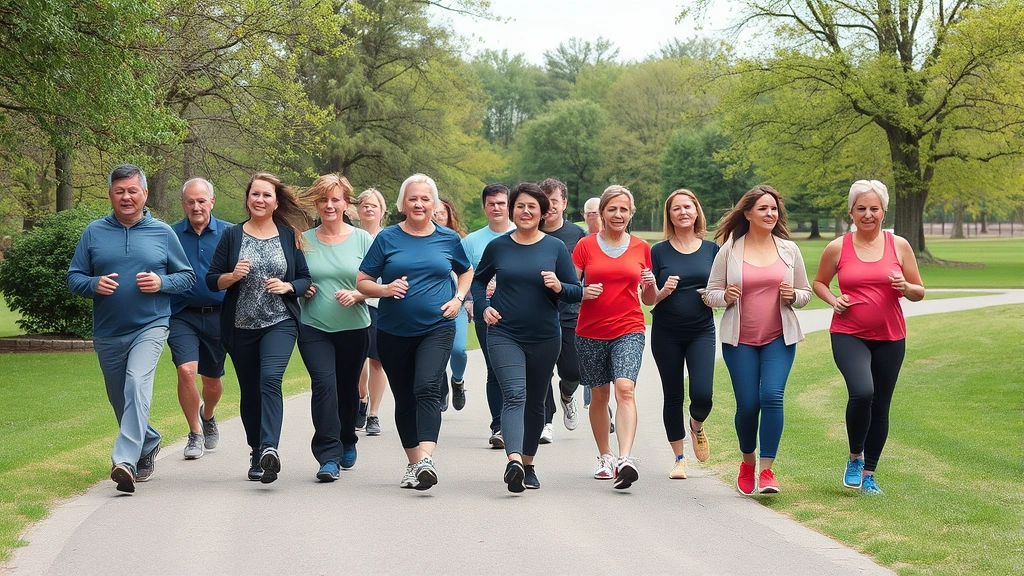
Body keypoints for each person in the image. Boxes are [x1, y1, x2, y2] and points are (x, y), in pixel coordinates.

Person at [68, 164, 195, 493]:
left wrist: (161, 281)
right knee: (119, 399)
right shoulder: (94, 233)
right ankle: (149, 440)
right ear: (110, 194)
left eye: (132, 191)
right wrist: (93, 284)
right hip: (108, 331)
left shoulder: (162, 233)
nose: (126, 197)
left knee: (137, 383)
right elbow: (74, 277)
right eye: (119, 191)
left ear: (144, 194)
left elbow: (187, 277)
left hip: (150, 325)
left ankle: (124, 460)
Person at [357, 173, 472, 490]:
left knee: (426, 387)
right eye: (413, 198)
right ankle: (414, 463)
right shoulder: (387, 239)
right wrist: (385, 289)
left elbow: (466, 271)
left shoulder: (448, 239)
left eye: (425, 199)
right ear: (402, 204)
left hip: (437, 327)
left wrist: (458, 299)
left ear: (434, 204)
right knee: (405, 397)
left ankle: (426, 459)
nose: (419, 204)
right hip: (393, 331)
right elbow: (362, 281)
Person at [813, 180, 925, 495]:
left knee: (881, 404)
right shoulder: (837, 247)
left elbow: (919, 291)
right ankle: (854, 457)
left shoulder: (899, 245)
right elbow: (820, 282)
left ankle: (869, 474)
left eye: (874, 208)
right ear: (851, 211)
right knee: (862, 392)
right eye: (861, 208)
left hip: (891, 337)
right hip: (849, 334)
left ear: (883, 210)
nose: (867, 214)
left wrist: (906, 287)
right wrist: (834, 300)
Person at [473, 183, 582, 492]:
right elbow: (479, 283)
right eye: (519, 206)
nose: (525, 211)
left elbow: (575, 292)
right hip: (505, 332)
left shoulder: (555, 248)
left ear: (543, 212)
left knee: (536, 402)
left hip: (545, 336)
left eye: (532, 207)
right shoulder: (499, 247)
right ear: (512, 210)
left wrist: (559, 286)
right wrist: (483, 306)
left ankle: (529, 463)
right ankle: (514, 462)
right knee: (515, 395)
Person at [705, 184, 812, 496]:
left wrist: (795, 296)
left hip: (779, 337)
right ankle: (747, 462)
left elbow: (804, 292)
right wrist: (724, 296)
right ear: (748, 213)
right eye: (763, 208)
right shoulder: (730, 250)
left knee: (772, 397)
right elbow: (710, 293)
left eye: (774, 209)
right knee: (749, 405)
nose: (770, 213)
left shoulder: (789, 250)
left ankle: (767, 470)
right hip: (740, 342)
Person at [206, 172, 311, 484]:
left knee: (270, 380)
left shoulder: (288, 234)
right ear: (247, 199)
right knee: (250, 391)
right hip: (240, 326)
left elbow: (305, 279)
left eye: (267, 195)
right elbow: (213, 280)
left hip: (279, 322)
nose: (261, 200)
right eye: (255, 195)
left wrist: (288, 285)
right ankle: (256, 452)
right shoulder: (232, 236)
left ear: (275, 201)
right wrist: (233, 275)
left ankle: (270, 448)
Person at [573, 185, 655, 490]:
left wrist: (650, 285)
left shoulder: (641, 247)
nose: (618, 215)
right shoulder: (584, 246)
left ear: (630, 214)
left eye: (624, 210)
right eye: (612, 209)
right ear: (601, 214)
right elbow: (569, 289)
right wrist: (582, 293)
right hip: (590, 331)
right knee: (599, 396)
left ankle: (625, 458)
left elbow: (648, 299)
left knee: (625, 389)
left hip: (629, 329)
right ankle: (605, 456)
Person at [296, 174, 373, 481]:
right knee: (324, 385)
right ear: (316, 203)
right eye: (323, 200)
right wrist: (304, 287)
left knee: (347, 387)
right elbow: (296, 277)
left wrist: (359, 293)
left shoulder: (363, 239)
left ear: (346, 204)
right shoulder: (303, 239)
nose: (329, 205)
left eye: (335, 199)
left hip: (355, 327)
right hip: (314, 326)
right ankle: (328, 455)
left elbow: (378, 283)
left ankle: (347, 438)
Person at [644, 189, 719, 480]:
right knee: (673, 395)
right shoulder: (658, 251)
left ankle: (697, 426)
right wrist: (662, 290)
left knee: (703, 396)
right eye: (677, 208)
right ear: (670, 215)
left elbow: (723, 291)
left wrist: (712, 297)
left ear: (696, 211)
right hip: (666, 332)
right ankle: (678, 458)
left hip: (701, 331)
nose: (683, 212)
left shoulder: (712, 249)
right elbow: (647, 299)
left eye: (688, 207)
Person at [168, 178, 229, 460]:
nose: (196, 206)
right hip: (182, 314)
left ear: (211, 202)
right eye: (190, 201)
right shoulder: (169, 235)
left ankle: (208, 413)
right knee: (186, 371)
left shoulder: (230, 233)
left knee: (212, 381)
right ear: (183, 204)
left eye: (201, 201)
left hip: (219, 316)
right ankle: (194, 433)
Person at [461, 184, 515, 448]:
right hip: (486, 313)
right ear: (484, 207)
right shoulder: (471, 241)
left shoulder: (521, 234)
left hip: (519, 312)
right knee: (494, 369)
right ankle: (499, 427)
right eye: (491, 203)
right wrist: (470, 300)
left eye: (501, 203)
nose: (497, 208)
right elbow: (462, 274)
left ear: (509, 206)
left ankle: (525, 421)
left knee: (520, 370)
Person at [538, 178, 587, 443]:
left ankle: (567, 394)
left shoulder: (577, 236)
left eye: (554, 201)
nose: (549, 207)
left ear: (564, 203)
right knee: (542, 370)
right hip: (537, 313)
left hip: (570, 312)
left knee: (573, 371)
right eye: (544, 201)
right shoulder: (530, 232)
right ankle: (546, 420)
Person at [355, 188, 389, 436]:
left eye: (373, 205)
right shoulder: (350, 237)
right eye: (364, 205)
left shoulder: (389, 238)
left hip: (379, 306)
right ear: (357, 211)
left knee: (377, 360)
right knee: (356, 360)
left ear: (382, 211)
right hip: (352, 305)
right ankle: (361, 398)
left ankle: (374, 413)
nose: (368, 208)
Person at [433, 197, 471, 412]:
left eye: (442, 213)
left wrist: (467, 300)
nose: (438, 216)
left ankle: (457, 381)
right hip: (431, 305)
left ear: (450, 217)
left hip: (457, 302)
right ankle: (440, 388)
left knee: (458, 350)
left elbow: (468, 272)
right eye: (435, 213)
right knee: (435, 353)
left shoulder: (456, 240)